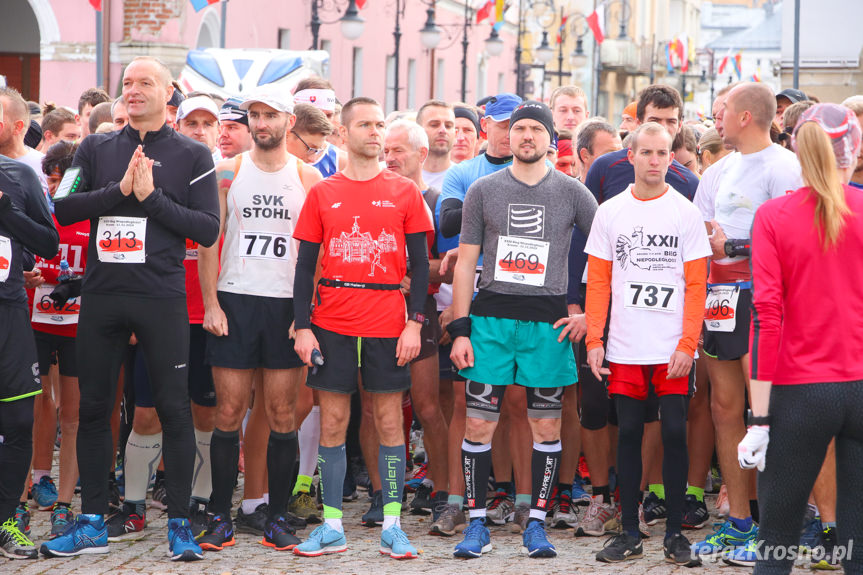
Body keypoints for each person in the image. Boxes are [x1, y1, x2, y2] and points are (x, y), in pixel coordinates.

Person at [41, 56, 219, 562]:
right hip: (103, 297)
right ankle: (93, 519)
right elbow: (64, 207)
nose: (134, 90)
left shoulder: (192, 154)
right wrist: (119, 192)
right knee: (94, 409)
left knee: (173, 409)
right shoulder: (96, 146)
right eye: (127, 84)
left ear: (169, 93)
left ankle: (180, 524)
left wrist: (152, 199)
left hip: (160, 301)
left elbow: (207, 228)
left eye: (145, 82)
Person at [448, 101, 597, 559]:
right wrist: (459, 329)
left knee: (546, 425)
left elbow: (607, 254)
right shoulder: (483, 190)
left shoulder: (573, 193)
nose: (526, 136)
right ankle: (476, 526)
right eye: (519, 129)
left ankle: (536, 523)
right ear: (507, 137)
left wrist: (591, 315)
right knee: (477, 422)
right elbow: (466, 262)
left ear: (551, 138)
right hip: (490, 321)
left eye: (536, 128)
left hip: (547, 323)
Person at [290, 96, 431, 559]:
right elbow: (304, 265)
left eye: (380, 124)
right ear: (342, 133)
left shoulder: (405, 191)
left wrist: (415, 323)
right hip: (331, 320)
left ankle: (393, 522)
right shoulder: (323, 192)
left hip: (388, 320)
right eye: (365, 124)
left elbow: (421, 267)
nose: (375, 132)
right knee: (332, 419)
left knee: (389, 419)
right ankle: (331, 525)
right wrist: (302, 326)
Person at [736, 103, 863, 575]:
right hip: (859, 382)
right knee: (859, 534)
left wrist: (760, 417)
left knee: (778, 537)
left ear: (796, 149)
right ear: (853, 149)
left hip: (800, 391)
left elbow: (767, 318)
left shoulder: (773, 216)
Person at [197, 88, 322, 553]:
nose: (262, 123)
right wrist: (211, 303)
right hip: (236, 299)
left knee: (282, 413)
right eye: (255, 115)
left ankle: (276, 516)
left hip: (284, 305)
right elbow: (210, 243)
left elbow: (317, 253)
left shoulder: (307, 176)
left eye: (271, 115)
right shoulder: (229, 170)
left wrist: (303, 315)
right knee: (228, 411)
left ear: (289, 121)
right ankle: (219, 516)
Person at [585, 122, 710, 565]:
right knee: (630, 435)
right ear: (631, 156)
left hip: (672, 347)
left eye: (662, 154)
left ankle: (675, 533)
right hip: (624, 345)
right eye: (647, 153)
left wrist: (687, 343)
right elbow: (598, 282)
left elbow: (697, 285)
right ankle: (629, 532)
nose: (655, 161)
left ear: (671, 160)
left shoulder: (685, 212)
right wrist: (595, 339)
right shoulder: (611, 211)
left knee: (675, 431)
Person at [691, 82, 802, 559]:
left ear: (746, 117)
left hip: (765, 300)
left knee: (767, 414)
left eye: (725, 111)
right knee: (724, 408)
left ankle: (775, 528)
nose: (717, 119)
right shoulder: (718, 171)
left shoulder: (785, 166)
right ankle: (739, 523)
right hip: (720, 297)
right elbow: (698, 235)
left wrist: (734, 248)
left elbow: (797, 240)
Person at [382, 119, 452, 522]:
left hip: (424, 314)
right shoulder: (376, 193)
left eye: (398, 151)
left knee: (428, 407)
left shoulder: (438, 200)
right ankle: (381, 493)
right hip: (378, 313)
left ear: (421, 155)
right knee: (378, 408)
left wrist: (420, 271)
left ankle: (442, 490)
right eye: (386, 151)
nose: (390, 159)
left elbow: (455, 262)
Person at [18, 142, 87, 544]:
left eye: (62, 178)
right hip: (36, 321)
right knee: (30, 407)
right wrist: (26, 277)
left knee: (73, 414)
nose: (55, 186)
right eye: (51, 178)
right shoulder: (38, 211)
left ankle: (64, 504)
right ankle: (23, 497)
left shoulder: (91, 217)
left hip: (77, 325)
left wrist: (77, 283)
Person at [0, 100, 60, 560]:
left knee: (19, 419)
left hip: (9, 312)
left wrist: (6, 214)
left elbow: (48, 243)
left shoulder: (19, 175)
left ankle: (4, 521)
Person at [416, 100, 455, 189]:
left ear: (455, 133)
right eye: (434, 125)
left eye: (448, 126)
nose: (443, 130)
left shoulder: (464, 178)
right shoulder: (400, 174)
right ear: (418, 130)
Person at [176, 95, 221, 161]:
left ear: (219, 131)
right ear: (177, 129)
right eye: (192, 124)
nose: (200, 132)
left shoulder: (233, 169)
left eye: (208, 124)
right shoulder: (162, 166)